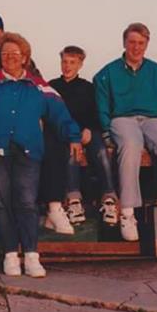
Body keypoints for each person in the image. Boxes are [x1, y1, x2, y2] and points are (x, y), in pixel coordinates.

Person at [0, 32, 81, 277]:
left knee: (27, 202)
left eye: (15, 53)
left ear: (25, 58)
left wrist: (74, 137)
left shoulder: (38, 85)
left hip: (28, 149)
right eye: (5, 53)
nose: (9, 57)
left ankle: (31, 255)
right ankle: (10, 254)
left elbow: (60, 114)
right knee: (1, 202)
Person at [94, 22, 157, 241]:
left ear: (147, 44)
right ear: (124, 43)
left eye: (141, 43)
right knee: (131, 144)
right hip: (122, 118)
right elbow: (101, 105)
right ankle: (127, 214)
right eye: (132, 42)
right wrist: (106, 129)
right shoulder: (107, 73)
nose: (136, 47)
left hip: (151, 119)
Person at [49, 46, 120, 226]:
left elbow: (96, 112)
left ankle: (109, 198)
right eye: (64, 62)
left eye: (72, 62)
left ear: (80, 65)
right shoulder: (52, 87)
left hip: (87, 131)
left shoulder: (88, 87)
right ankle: (74, 200)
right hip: (65, 133)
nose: (67, 66)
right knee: (71, 154)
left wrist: (89, 128)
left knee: (101, 152)